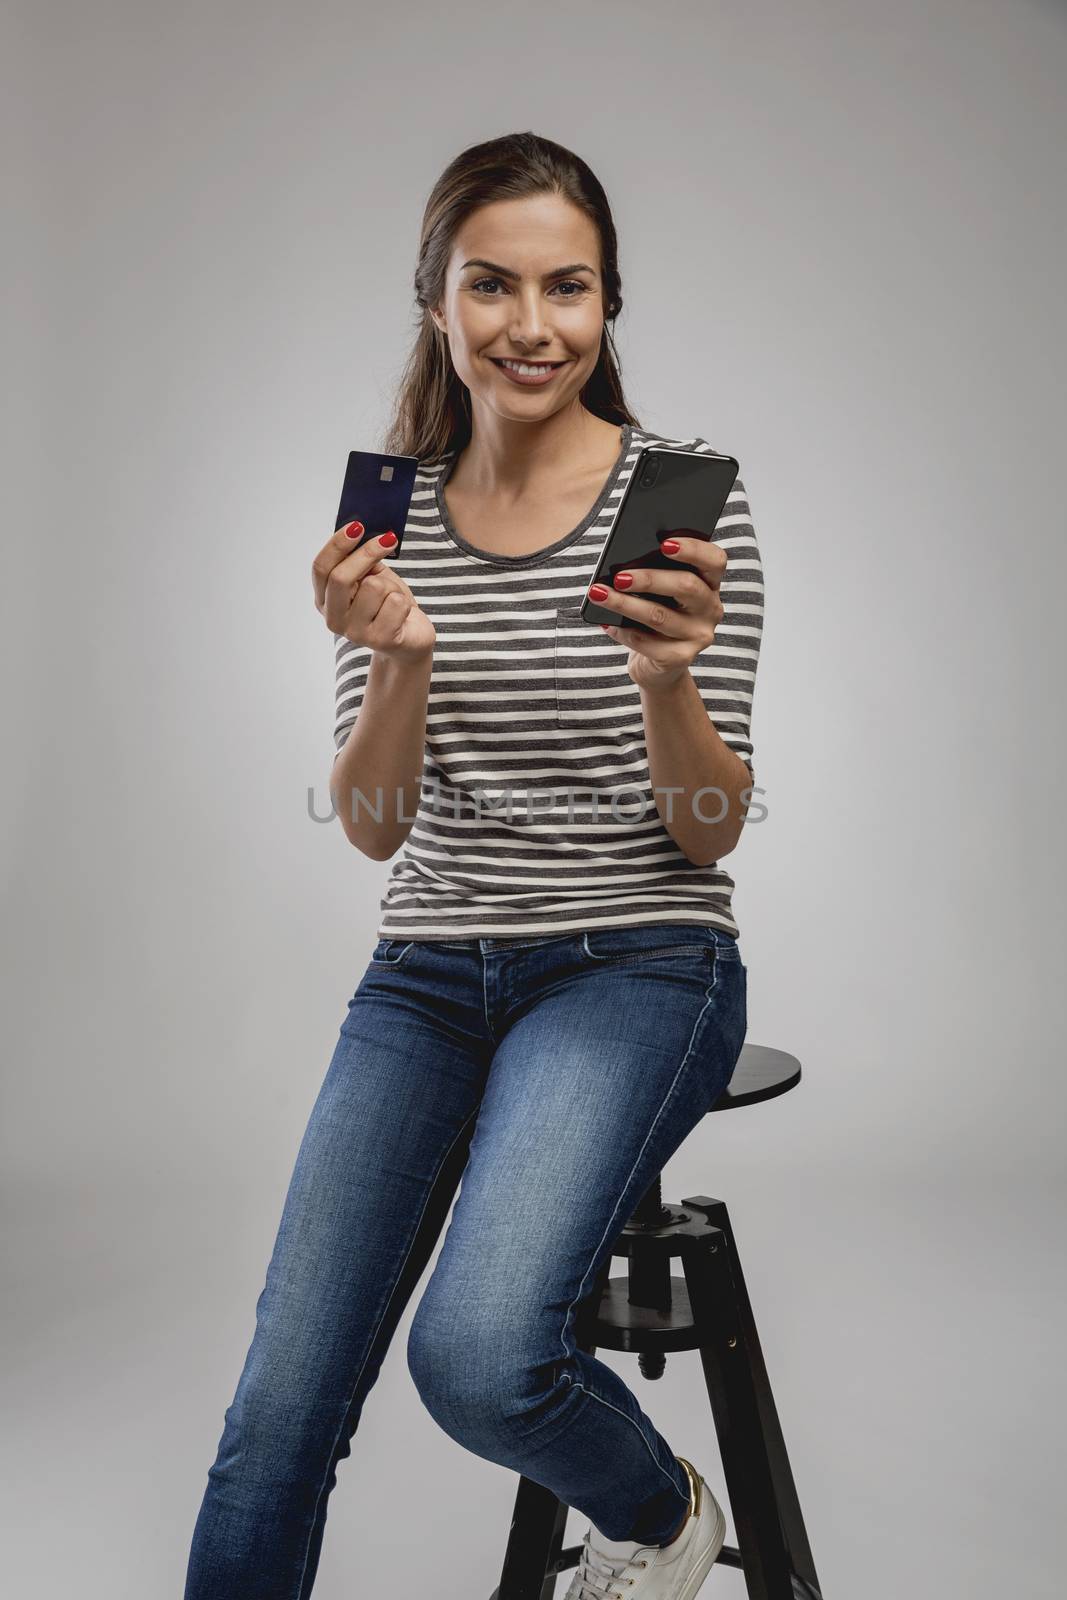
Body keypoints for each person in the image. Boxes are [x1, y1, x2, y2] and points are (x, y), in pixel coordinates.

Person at [184, 130, 764, 1600]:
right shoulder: (388, 512)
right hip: (428, 974)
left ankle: (659, 1506)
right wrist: (398, 663)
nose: (530, 324)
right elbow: (373, 831)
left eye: (567, 287)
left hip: (641, 961)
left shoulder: (681, 504)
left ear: (607, 302)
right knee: (276, 1416)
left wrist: (665, 680)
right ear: (435, 301)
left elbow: (710, 830)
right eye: (490, 285)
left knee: (482, 1358)